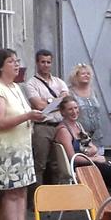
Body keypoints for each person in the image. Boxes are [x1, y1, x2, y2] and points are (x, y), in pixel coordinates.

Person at [0, 48, 45, 220]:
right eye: (11, 61)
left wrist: (36, 116)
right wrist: (28, 116)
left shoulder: (15, 87)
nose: (16, 64)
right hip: (7, 149)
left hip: (22, 147)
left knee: (22, 191)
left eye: (17, 61)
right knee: (11, 193)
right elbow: (0, 122)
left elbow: (23, 114)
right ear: (0, 67)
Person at [53, 95, 111, 211]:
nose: (74, 111)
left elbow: (92, 147)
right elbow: (73, 158)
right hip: (80, 168)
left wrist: (90, 152)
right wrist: (95, 158)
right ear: (63, 112)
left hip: (88, 163)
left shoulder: (77, 125)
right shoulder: (64, 131)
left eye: (76, 108)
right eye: (70, 109)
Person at [25, 49, 69, 186]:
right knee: (40, 165)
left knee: (58, 165)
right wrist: (57, 101)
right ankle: (37, 197)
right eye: (43, 62)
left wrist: (48, 102)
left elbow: (67, 101)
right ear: (37, 63)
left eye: (48, 62)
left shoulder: (59, 82)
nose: (46, 65)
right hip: (42, 127)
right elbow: (39, 105)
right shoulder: (31, 83)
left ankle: (56, 196)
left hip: (59, 126)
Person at [67, 63, 105, 149]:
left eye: (88, 74)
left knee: (98, 156)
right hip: (80, 135)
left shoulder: (93, 91)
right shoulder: (70, 93)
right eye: (83, 73)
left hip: (97, 136)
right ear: (76, 76)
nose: (86, 75)